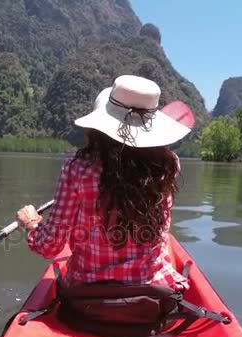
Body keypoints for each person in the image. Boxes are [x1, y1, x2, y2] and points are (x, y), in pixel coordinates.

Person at [16, 75, 192, 292]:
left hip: (87, 298)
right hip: (151, 297)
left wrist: (32, 223)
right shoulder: (169, 165)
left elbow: (49, 247)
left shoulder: (77, 168)